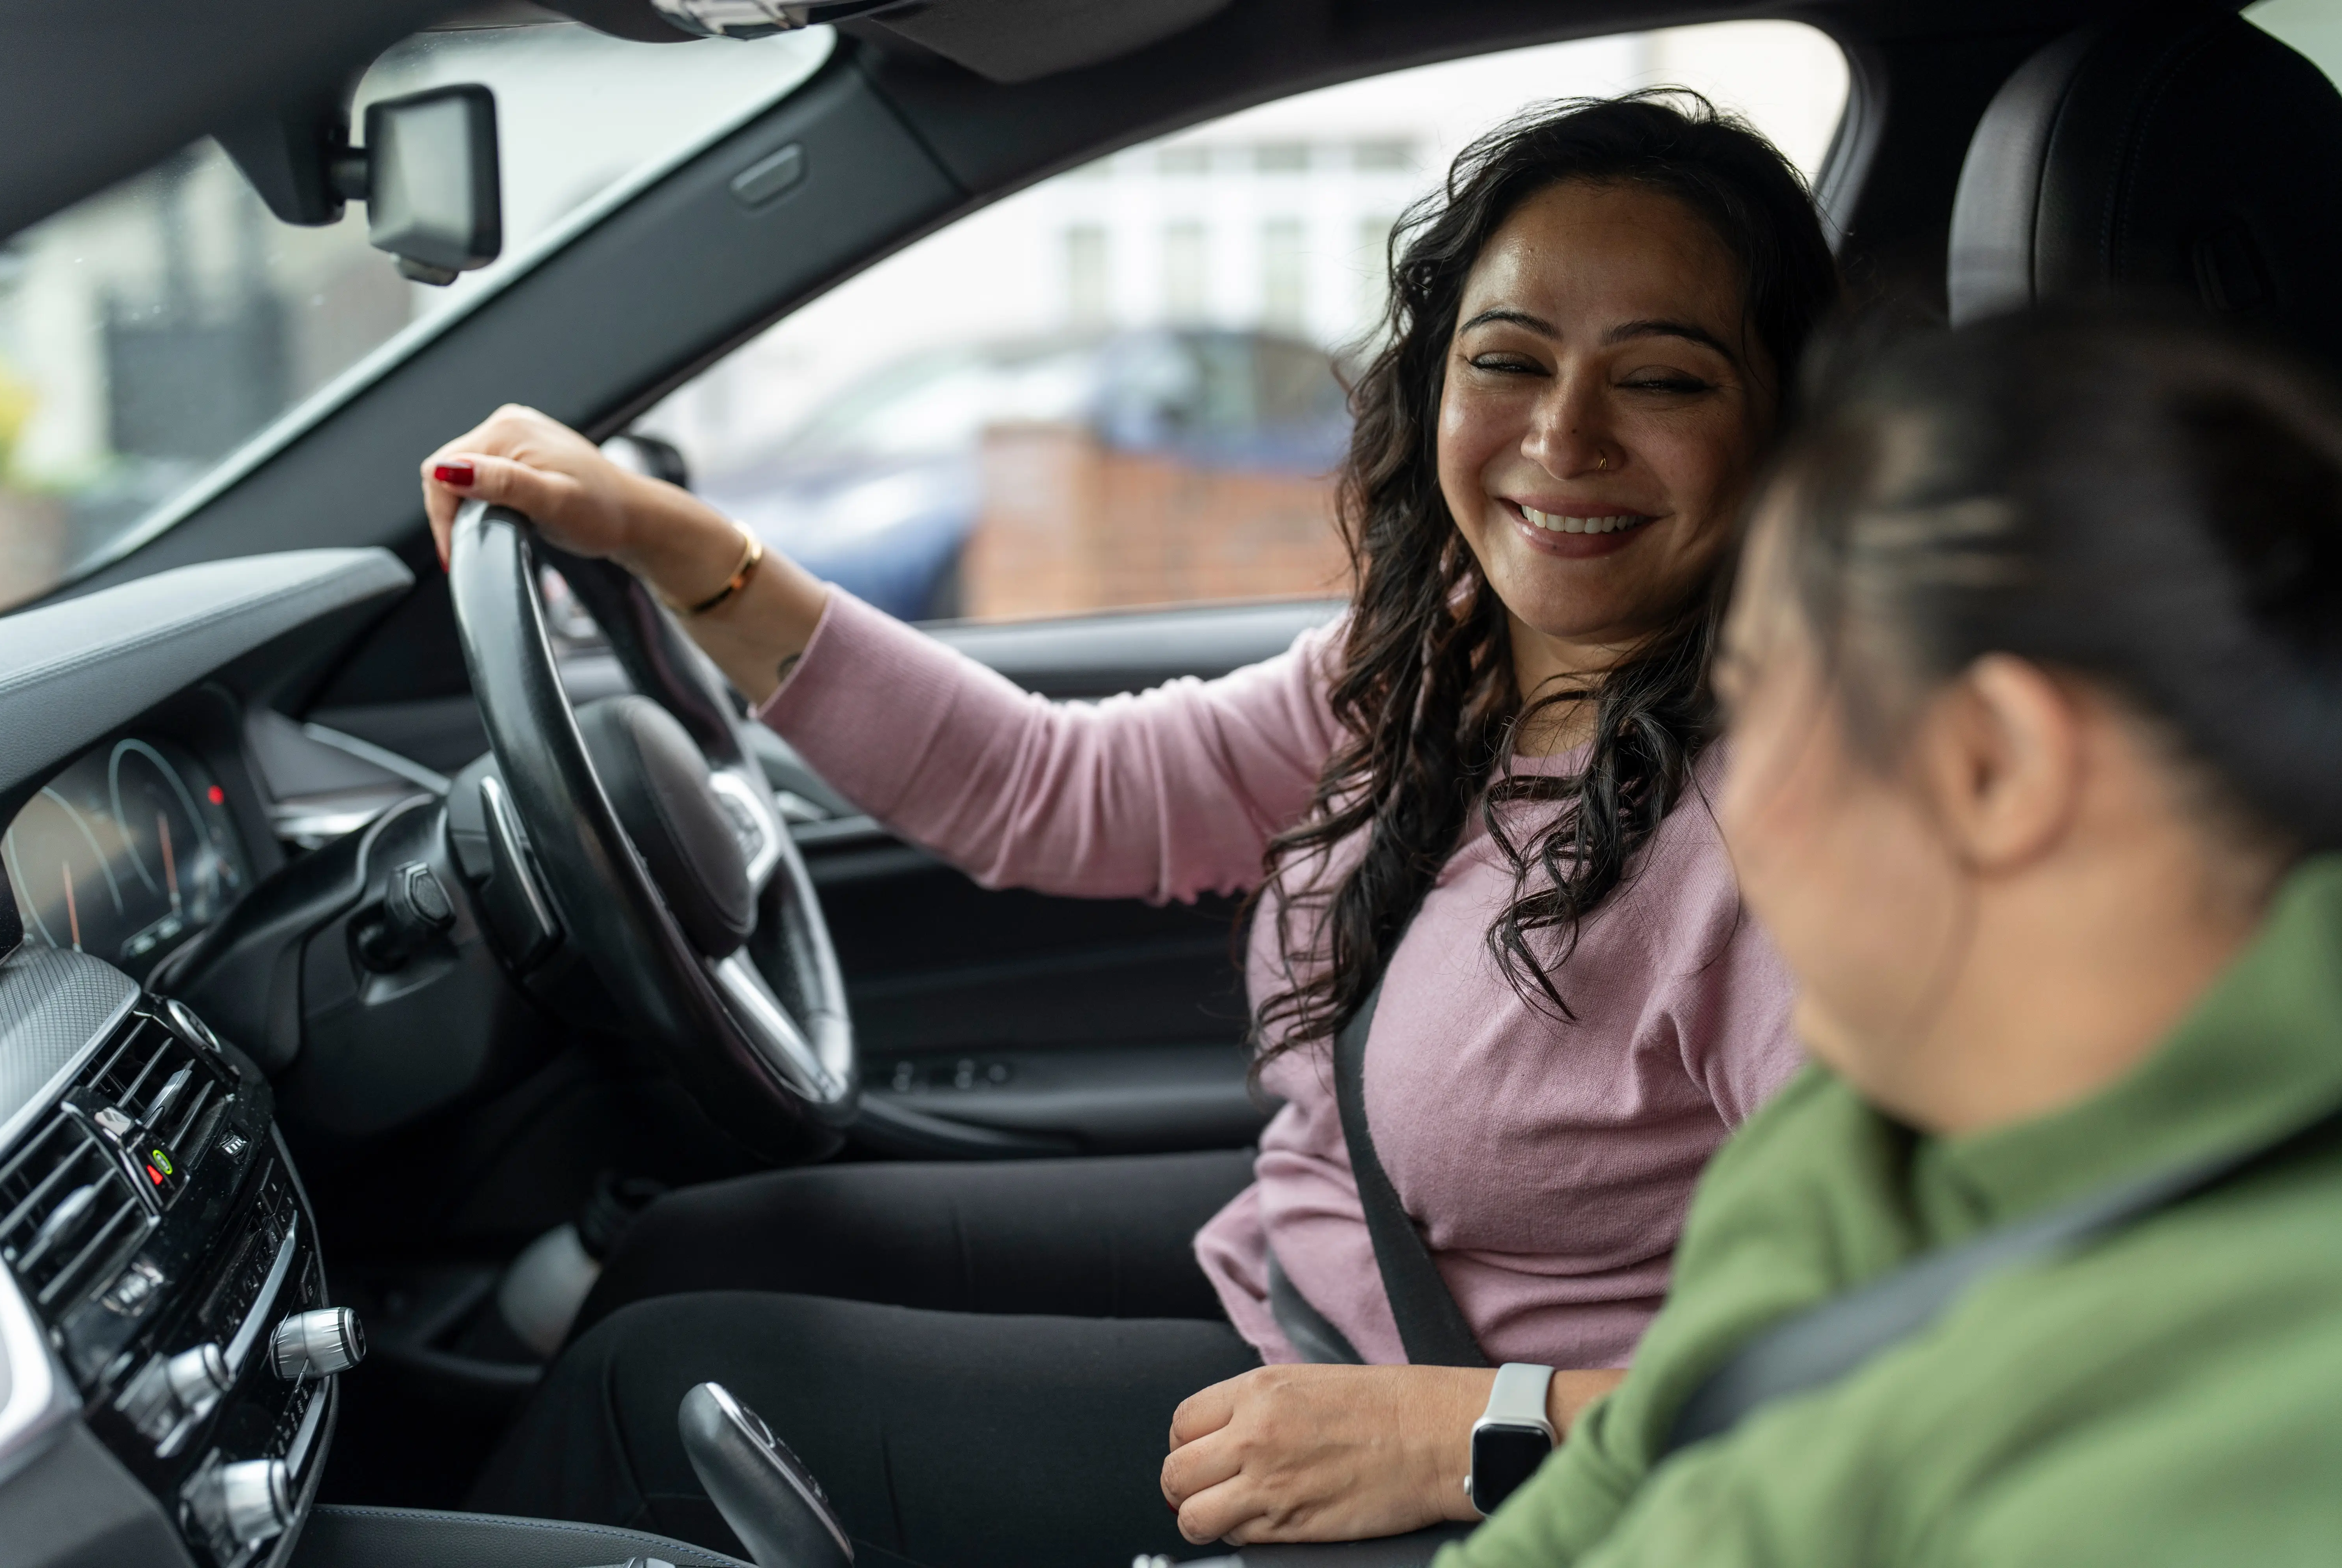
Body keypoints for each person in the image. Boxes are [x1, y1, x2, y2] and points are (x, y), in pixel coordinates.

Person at [423, 93, 1836, 1568]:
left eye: (1664, 380)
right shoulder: (1448, 662)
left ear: (1787, 426)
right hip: (1313, 1284)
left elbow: (1941, 1379)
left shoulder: (1793, 837)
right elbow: (1051, 786)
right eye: (1508, 360)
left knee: (658, 1400)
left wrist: (1475, 1427)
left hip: (1507, 1485)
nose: (1564, 435)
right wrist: (669, 539)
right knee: (704, 1243)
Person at [1452, 304, 2342, 1568]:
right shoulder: (1863, 1131)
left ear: (1990, 766)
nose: (1736, 804)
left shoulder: (2251, 1450)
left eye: (1756, 710)